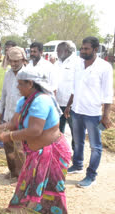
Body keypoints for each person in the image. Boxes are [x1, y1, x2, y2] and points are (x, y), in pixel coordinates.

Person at [0, 67, 71, 213]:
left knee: (51, 191)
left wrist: (8, 136)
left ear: (30, 84)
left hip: (52, 153)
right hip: (35, 153)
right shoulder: (24, 100)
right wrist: (1, 127)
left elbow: (35, 130)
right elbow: (15, 123)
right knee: (30, 186)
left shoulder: (42, 101)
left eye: (20, 83)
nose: (18, 87)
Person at [65, 36, 113, 188]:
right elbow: (74, 87)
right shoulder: (78, 65)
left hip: (93, 114)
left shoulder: (104, 67)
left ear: (95, 50)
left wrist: (106, 116)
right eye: (82, 48)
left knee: (95, 146)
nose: (83, 51)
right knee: (77, 141)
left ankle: (91, 176)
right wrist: (68, 106)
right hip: (77, 111)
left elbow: (107, 94)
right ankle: (77, 165)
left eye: (86, 49)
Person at [0, 47, 27, 180]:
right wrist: (0, 111)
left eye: (17, 61)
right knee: (8, 145)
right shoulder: (8, 73)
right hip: (7, 115)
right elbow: (4, 93)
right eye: (12, 61)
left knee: (20, 149)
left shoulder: (27, 74)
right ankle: (13, 171)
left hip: (21, 117)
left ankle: (22, 175)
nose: (14, 64)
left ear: (22, 59)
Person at [55, 42, 78, 152]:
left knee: (75, 130)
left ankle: (77, 154)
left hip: (72, 105)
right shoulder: (56, 63)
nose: (57, 53)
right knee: (59, 130)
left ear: (67, 51)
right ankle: (60, 152)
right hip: (58, 103)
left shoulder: (77, 63)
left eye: (59, 50)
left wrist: (70, 104)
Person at [0, 40, 17, 149]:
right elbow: (0, 86)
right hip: (3, 101)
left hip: (17, 106)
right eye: (6, 49)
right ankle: (3, 143)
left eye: (10, 49)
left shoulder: (22, 70)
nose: (13, 63)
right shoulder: (2, 67)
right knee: (3, 122)